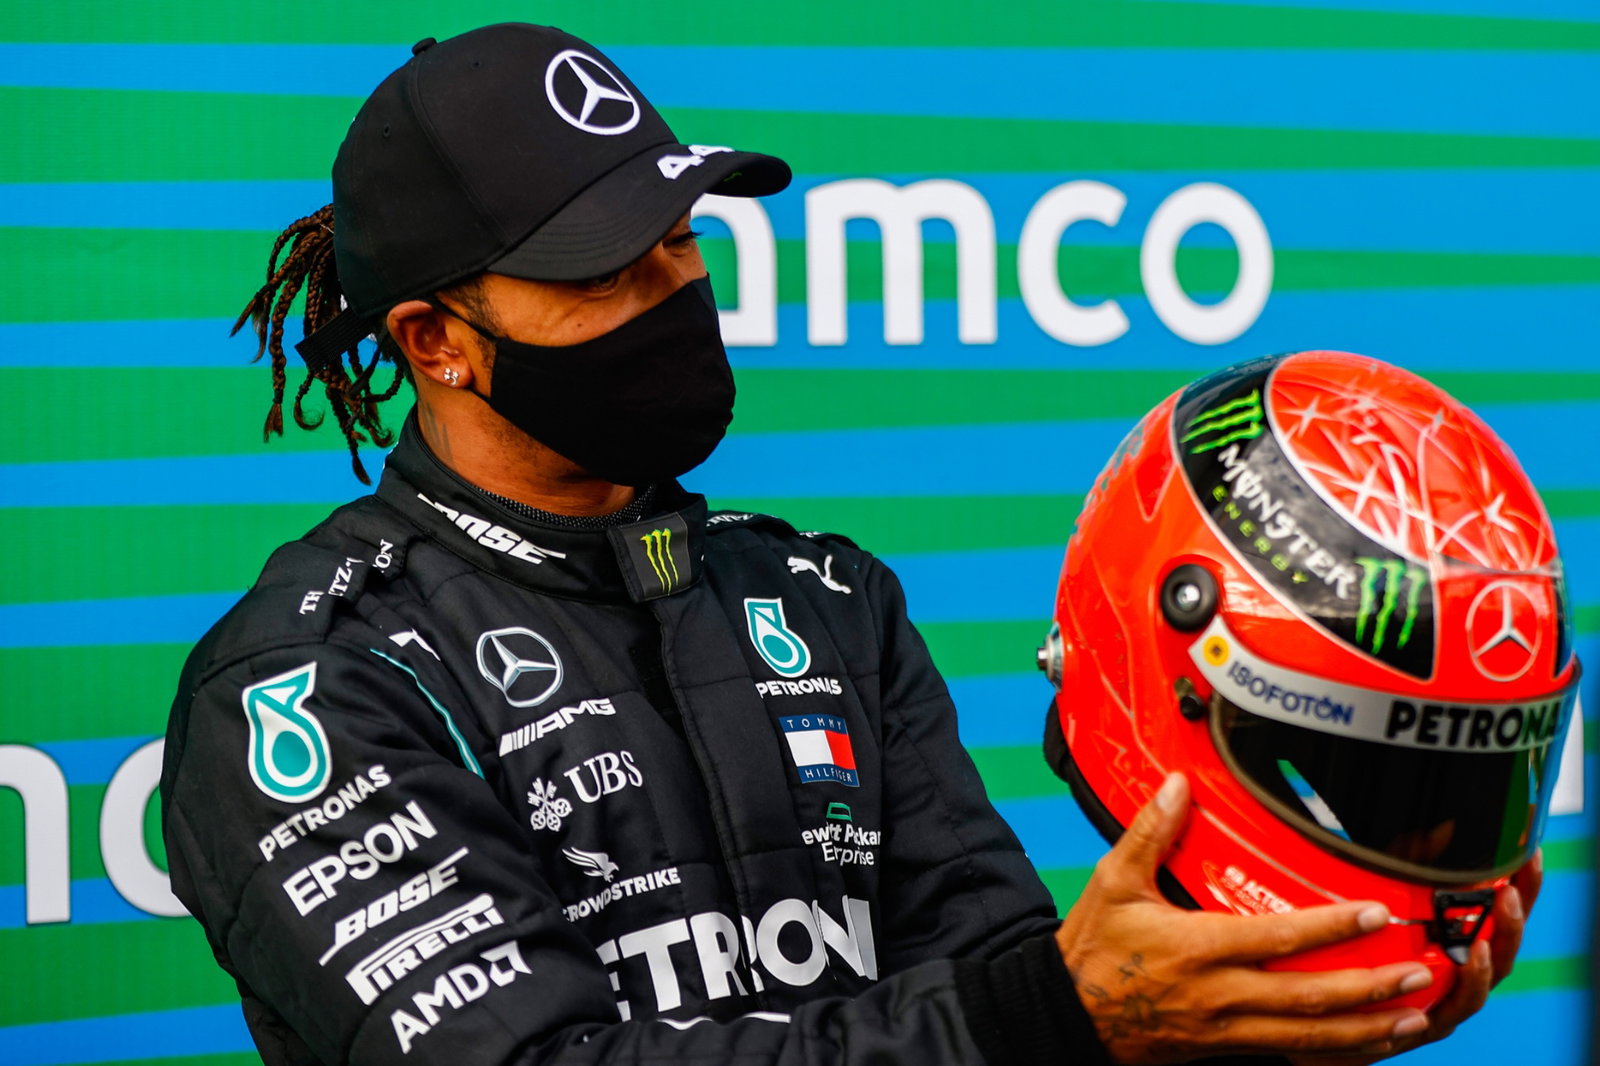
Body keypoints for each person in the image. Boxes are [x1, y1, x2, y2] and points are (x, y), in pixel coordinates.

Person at [160, 23, 1527, 1066]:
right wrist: (1046, 1011)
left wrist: (1257, 1006)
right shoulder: (312, 686)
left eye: (681, 243)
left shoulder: (823, 598)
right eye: (602, 271)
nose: (672, 294)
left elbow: (1001, 991)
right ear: (433, 340)